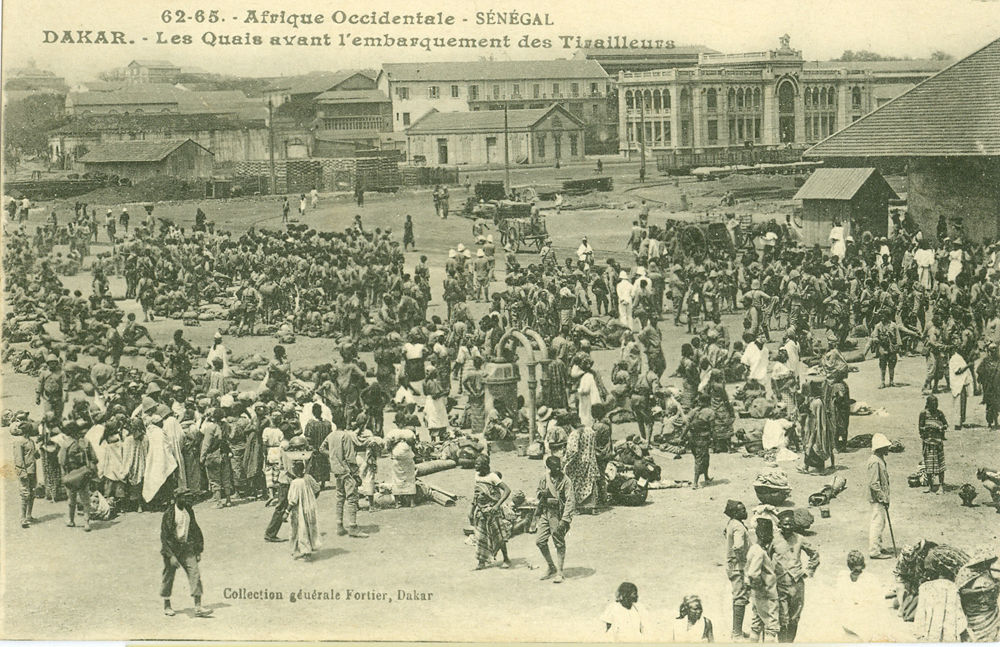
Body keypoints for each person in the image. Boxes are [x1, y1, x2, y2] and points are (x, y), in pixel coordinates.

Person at [160, 488, 212, 617]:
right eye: (185, 497)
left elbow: (195, 530)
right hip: (172, 549)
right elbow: (165, 537)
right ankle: (167, 604)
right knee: (169, 576)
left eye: (189, 497)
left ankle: (198, 606)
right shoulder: (169, 514)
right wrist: (171, 556)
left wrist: (198, 549)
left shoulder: (189, 511)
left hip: (187, 548)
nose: (188, 500)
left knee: (195, 573)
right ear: (177, 498)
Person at [773, 510, 820, 642]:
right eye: (785, 524)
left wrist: (808, 570)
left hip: (796, 584)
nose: (788, 527)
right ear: (780, 525)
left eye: (790, 524)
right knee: (782, 617)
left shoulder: (799, 539)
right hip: (779, 584)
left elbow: (814, 554)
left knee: (794, 617)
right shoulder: (774, 539)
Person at [319, 418, 368, 538]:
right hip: (347, 470)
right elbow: (350, 457)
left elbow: (321, 449)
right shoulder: (346, 436)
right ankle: (353, 527)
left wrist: (332, 456)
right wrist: (356, 474)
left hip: (336, 470)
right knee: (352, 498)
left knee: (340, 497)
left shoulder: (331, 435)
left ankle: (339, 526)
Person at [536, 455, 575, 584]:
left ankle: (560, 571)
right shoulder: (544, 477)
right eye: (554, 468)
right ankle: (551, 566)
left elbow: (570, 501)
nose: (558, 469)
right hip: (546, 512)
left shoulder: (566, 480)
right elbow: (538, 492)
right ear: (549, 468)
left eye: (559, 467)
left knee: (559, 542)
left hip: (558, 514)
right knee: (540, 541)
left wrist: (564, 521)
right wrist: (542, 494)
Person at [915, 552, 969, 642]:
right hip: (949, 633)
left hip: (929, 634)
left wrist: (920, 634)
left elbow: (920, 614)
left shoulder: (924, 587)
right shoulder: (952, 587)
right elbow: (958, 613)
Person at [470, 455, 512, 570]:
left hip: (492, 510)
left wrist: (497, 505)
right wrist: (472, 510)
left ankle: (506, 559)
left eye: (478, 464)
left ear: (484, 465)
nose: (475, 465)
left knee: (498, 534)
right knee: (480, 536)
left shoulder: (492, 476)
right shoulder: (477, 476)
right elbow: (477, 494)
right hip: (481, 510)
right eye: (475, 463)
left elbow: (507, 490)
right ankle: (481, 561)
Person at [745, 518, 780, 642]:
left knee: (757, 622)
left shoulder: (754, 548)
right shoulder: (760, 552)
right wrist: (762, 587)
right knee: (772, 626)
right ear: (761, 534)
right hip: (766, 594)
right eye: (768, 533)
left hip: (757, 594)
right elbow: (754, 574)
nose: (771, 537)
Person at [956, 548, 1000, 642]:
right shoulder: (973, 578)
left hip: (987, 616)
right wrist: (985, 590)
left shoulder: (987, 576)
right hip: (978, 616)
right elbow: (963, 592)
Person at [60, 420, 98, 531]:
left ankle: (71, 520)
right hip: (83, 473)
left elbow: (62, 461)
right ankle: (87, 523)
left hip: (71, 474)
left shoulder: (66, 444)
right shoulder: (85, 442)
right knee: (86, 499)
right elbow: (94, 458)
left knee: (71, 499)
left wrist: (64, 476)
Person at [724, 500, 751, 640]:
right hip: (738, 567)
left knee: (739, 597)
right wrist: (743, 562)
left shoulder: (732, 523)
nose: (745, 512)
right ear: (735, 513)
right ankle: (737, 633)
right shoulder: (739, 527)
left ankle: (737, 630)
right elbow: (738, 546)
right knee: (740, 598)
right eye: (742, 510)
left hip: (732, 565)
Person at [287, 461, 322, 560]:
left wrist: (286, 512)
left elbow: (293, 501)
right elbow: (317, 489)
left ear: (297, 470)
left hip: (300, 510)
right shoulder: (308, 477)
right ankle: (309, 548)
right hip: (310, 507)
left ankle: (306, 553)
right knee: (310, 528)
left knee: (301, 529)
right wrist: (310, 499)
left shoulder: (295, 483)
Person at [867, 433, 893, 559]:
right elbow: (873, 483)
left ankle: (878, 546)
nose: (888, 449)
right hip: (877, 498)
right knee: (877, 523)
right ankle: (874, 551)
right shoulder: (875, 462)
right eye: (885, 446)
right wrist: (883, 498)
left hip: (880, 497)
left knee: (881, 523)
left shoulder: (879, 459)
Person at [918, 395, 948, 494]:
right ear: (928, 404)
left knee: (940, 465)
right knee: (928, 464)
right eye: (932, 404)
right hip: (928, 442)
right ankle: (930, 486)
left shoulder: (939, 414)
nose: (934, 406)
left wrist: (940, 427)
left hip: (938, 442)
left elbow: (946, 424)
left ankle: (941, 486)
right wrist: (927, 428)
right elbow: (920, 427)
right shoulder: (923, 414)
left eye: (936, 404)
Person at [12, 421, 39, 528]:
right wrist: (22, 472)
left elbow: (33, 455)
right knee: (25, 494)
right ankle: (23, 518)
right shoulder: (19, 442)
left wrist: (37, 453)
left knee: (32, 493)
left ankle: (29, 515)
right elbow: (18, 459)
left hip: (32, 471)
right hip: (25, 471)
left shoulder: (31, 441)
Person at [689, 392, 715, 489]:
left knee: (703, 457)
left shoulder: (693, 411)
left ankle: (706, 477)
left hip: (692, 438)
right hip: (703, 438)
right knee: (700, 459)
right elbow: (712, 427)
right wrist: (713, 439)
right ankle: (695, 482)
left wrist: (682, 437)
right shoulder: (710, 412)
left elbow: (687, 424)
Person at [387, 427, 417, 507]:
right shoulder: (409, 432)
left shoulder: (392, 432)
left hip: (397, 459)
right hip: (408, 458)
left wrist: (395, 444)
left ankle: (397, 503)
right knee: (410, 478)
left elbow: (388, 447)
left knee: (396, 479)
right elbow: (414, 444)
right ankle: (412, 502)